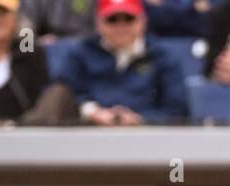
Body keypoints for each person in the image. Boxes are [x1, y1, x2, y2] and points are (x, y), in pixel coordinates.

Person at [43, 0, 189, 125]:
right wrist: (91, 111)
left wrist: (141, 119)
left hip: (148, 139)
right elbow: (61, 93)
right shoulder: (81, 53)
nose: (121, 26)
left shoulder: (162, 56)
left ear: (143, 20)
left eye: (128, 18)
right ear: (99, 22)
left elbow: (178, 109)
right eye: (112, 19)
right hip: (86, 136)